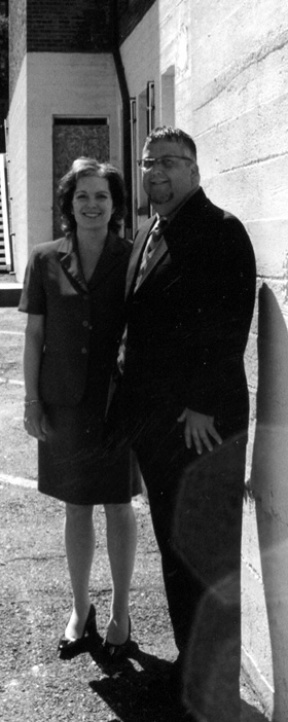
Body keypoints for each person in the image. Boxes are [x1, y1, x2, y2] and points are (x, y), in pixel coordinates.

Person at [111, 127, 256, 719]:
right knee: (176, 552)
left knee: (208, 556)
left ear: (195, 169)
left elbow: (229, 321)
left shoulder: (221, 230)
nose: (156, 173)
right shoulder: (148, 231)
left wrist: (201, 403)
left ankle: (215, 693)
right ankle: (189, 672)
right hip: (157, 426)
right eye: (149, 163)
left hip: (202, 424)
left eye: (170, 162)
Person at [19, 157, 140, 660]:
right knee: (76, 505)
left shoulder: (134, 257)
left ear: (115, 205)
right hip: (64, 403)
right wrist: (31, 399)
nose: (92, 204)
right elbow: (34, 335)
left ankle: (121, 612)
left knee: (118, 503)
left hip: (116, 404)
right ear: (69, 202)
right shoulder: (45, 258)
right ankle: (78, 608)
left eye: (102, 196)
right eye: (83, 195)